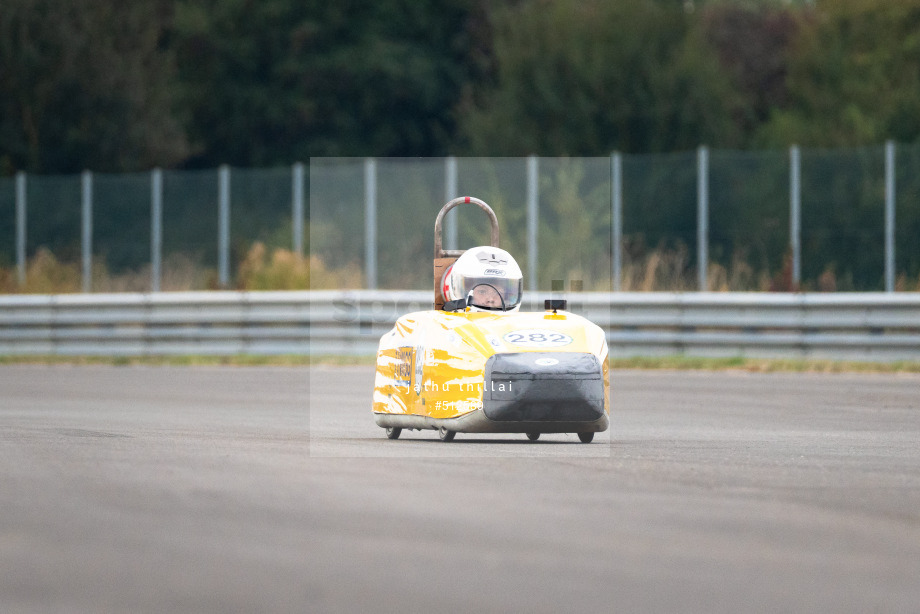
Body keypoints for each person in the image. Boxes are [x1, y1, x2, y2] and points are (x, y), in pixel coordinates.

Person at [441, 246, 523, 312]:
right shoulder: (445, 326)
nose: (490, 299)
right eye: (482, 292)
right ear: (467, 293)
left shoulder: (516, 326)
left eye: (498, 292)